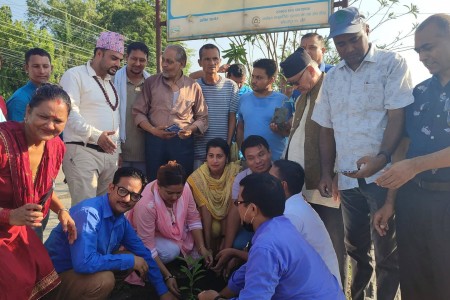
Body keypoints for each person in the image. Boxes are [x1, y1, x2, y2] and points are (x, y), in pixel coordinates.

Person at [311, 7, 414, 300]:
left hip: (384, 177)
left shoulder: (391, 64)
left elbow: (398, 118)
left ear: (366, 30)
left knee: (386, 253)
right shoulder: (332, 78)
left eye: (353, 39)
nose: (348, 48)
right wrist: (325, 172)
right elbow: (326, 129)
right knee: (355, 250)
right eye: (340, 43)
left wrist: (381, 159)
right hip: (347, 179)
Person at [374, 14, 450, 300]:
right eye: (418, 50)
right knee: (415, 282)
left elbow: (411, 162)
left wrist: (416, 166)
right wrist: (391, 202)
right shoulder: (418, 92)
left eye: (429, 47)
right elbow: (403, 148)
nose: (422, 57)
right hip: (413, 203)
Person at [198, 173, 345, 300]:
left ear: (253, 209)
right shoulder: (282, 225)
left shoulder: (266, 245)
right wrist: (223, 293)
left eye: (238, 203)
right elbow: (251, 269)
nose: (237, 208)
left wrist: (215, 298)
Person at [44, 167, 176, 300]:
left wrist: (163, 292)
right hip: (50, 283)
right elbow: (84, 263)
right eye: (123, 191)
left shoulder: (121, 220)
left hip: (76, 273)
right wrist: (129, 261)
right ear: (111, 188)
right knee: (105, 279)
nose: (127, 199)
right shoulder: (89, 214)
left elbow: (143, 253)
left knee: (133, 256)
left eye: (135, 196)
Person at [0, 84, 76, 299]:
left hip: (17, 231)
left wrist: (62, 210)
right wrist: (9, 215)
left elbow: (43, 188)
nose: (50, 125)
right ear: (27, 112)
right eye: (43, 117)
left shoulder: (56, 148)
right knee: (13, 279)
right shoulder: (2, 141)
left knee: (42, 270)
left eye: (58, 121)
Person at [279, 48, 347, 287]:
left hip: (326, 186)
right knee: (312, 244)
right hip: (303, 187)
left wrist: (336, 173)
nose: (295, 88)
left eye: (296, 82)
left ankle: (338, 290)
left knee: (334, 244)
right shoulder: (301, 98)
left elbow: (341, 134)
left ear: (310, 70)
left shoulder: (332, 89)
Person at [126, 161, 213, 297]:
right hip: (142, 238)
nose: (175, 197)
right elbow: (147, 245)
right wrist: (167, 276)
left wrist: (202, 248)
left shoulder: (186, 189)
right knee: (171, 251)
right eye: (169, 193)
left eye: (178, 193)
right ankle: (142, 266)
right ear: (158, 186)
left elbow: (193, 218)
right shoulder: (146, 205)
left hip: (169, 232)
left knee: (194, 249)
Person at [60, 31, 124, 205]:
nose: (117, 63)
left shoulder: (110, 83)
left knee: (104, 210)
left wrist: (116, 152)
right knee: (85, 211)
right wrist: (97, 136)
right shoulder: (75, 75)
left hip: (109, 155)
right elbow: (69, 114)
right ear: (99, 53)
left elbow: (114, 118)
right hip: (83, 151)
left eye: (120, 59)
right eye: (113, 58)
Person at [133, 45, 208, 180]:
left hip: (182, 143)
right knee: (154, 183)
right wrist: (153, 130)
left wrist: (190, 129)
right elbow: (138, 112)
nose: (164, 65)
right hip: (155, 142)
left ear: (182, 63)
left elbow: (202, 118)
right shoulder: (151, 82)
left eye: (170, 62)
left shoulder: (193, 86)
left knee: (181, 184)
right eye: (163, 60)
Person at [269, 159, 341, 285]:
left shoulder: (291, 215)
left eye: (269, 180)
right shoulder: (295, 205)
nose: (265, 183)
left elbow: (276, 261)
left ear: (283, 186)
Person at [187, 138, 241, 254]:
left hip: (230, 219)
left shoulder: (234, 173)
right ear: (206, 157)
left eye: (219, 156)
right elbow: (204, 210)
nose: (214, 160)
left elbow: (231, 207)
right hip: (206, 220)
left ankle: (227, 250)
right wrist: (207, 247)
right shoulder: (197, 178)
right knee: (214, 229)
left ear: (226, 158)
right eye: (211, 156)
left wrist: (225, 240)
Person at [193, 44, 239, 168]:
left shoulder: (231, 86)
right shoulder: (194, 86)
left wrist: (227, 146)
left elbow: (232, 118)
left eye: (215, 59)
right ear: (200, 62)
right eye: (207, 59)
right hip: (199, 153)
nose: (212, 62)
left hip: (221, 154)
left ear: (220, 61)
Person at [236, 58, 293, 161]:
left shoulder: (282, 101)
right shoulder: (244, 99)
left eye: (259, 78)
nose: (253, 81)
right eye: (253, 76)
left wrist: (278, 129)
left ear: (271, 79)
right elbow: (240, 128)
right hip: (251, 163)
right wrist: (242, 151)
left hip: (276, 162)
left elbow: (285, 131)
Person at [114, 42, 150, 174]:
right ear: (126, 57)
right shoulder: (113, 81)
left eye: (142, 60)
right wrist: (117, 151)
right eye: (134, 59)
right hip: (119, 152)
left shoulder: (151, 83)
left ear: (147, 61)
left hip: (145, 153)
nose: (137, 63)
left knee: (142, 192)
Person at [7, 48, 53, 121]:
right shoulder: (19, 100)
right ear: (26, 68)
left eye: (45, 66)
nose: (42, 71)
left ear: (51, 68)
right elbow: (17, 130)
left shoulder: (53, 95)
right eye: (36, 66)